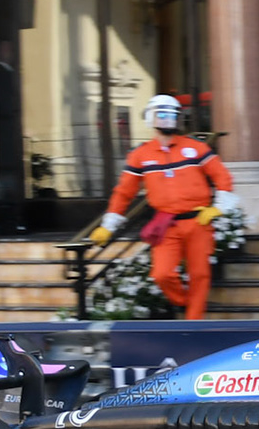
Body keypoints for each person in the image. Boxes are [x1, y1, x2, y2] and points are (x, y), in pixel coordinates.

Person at [94, 94, 239, 319]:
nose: (167, 119)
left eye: (172, 115)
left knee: (199, 274)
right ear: (151, 118)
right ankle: (186, 302)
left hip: (198, 221)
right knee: (162, 274)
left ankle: (193, 322)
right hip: (166, 224)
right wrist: (108, 225)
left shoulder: (196, 148)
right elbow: (124, 193)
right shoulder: (140, 155)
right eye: (162, 114)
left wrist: (218, 207)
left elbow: (222, 177)